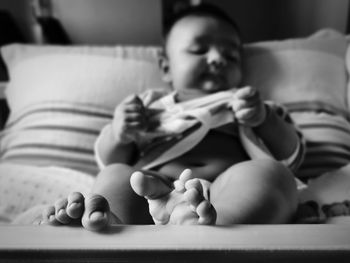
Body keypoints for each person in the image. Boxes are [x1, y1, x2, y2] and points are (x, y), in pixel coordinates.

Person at [36, 3, 305, 231]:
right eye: (199, 50)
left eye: (231, 55)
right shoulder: (150, 106)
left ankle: (220, 229)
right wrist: (120, 133)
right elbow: (110, 159)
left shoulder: (249, 102)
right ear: (165, 66)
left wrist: (263, 118)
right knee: (117, 174)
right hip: (153, 186)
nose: (217, 59)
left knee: (272, 173)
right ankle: (113, 226)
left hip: (229, 189)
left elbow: (291, 155)